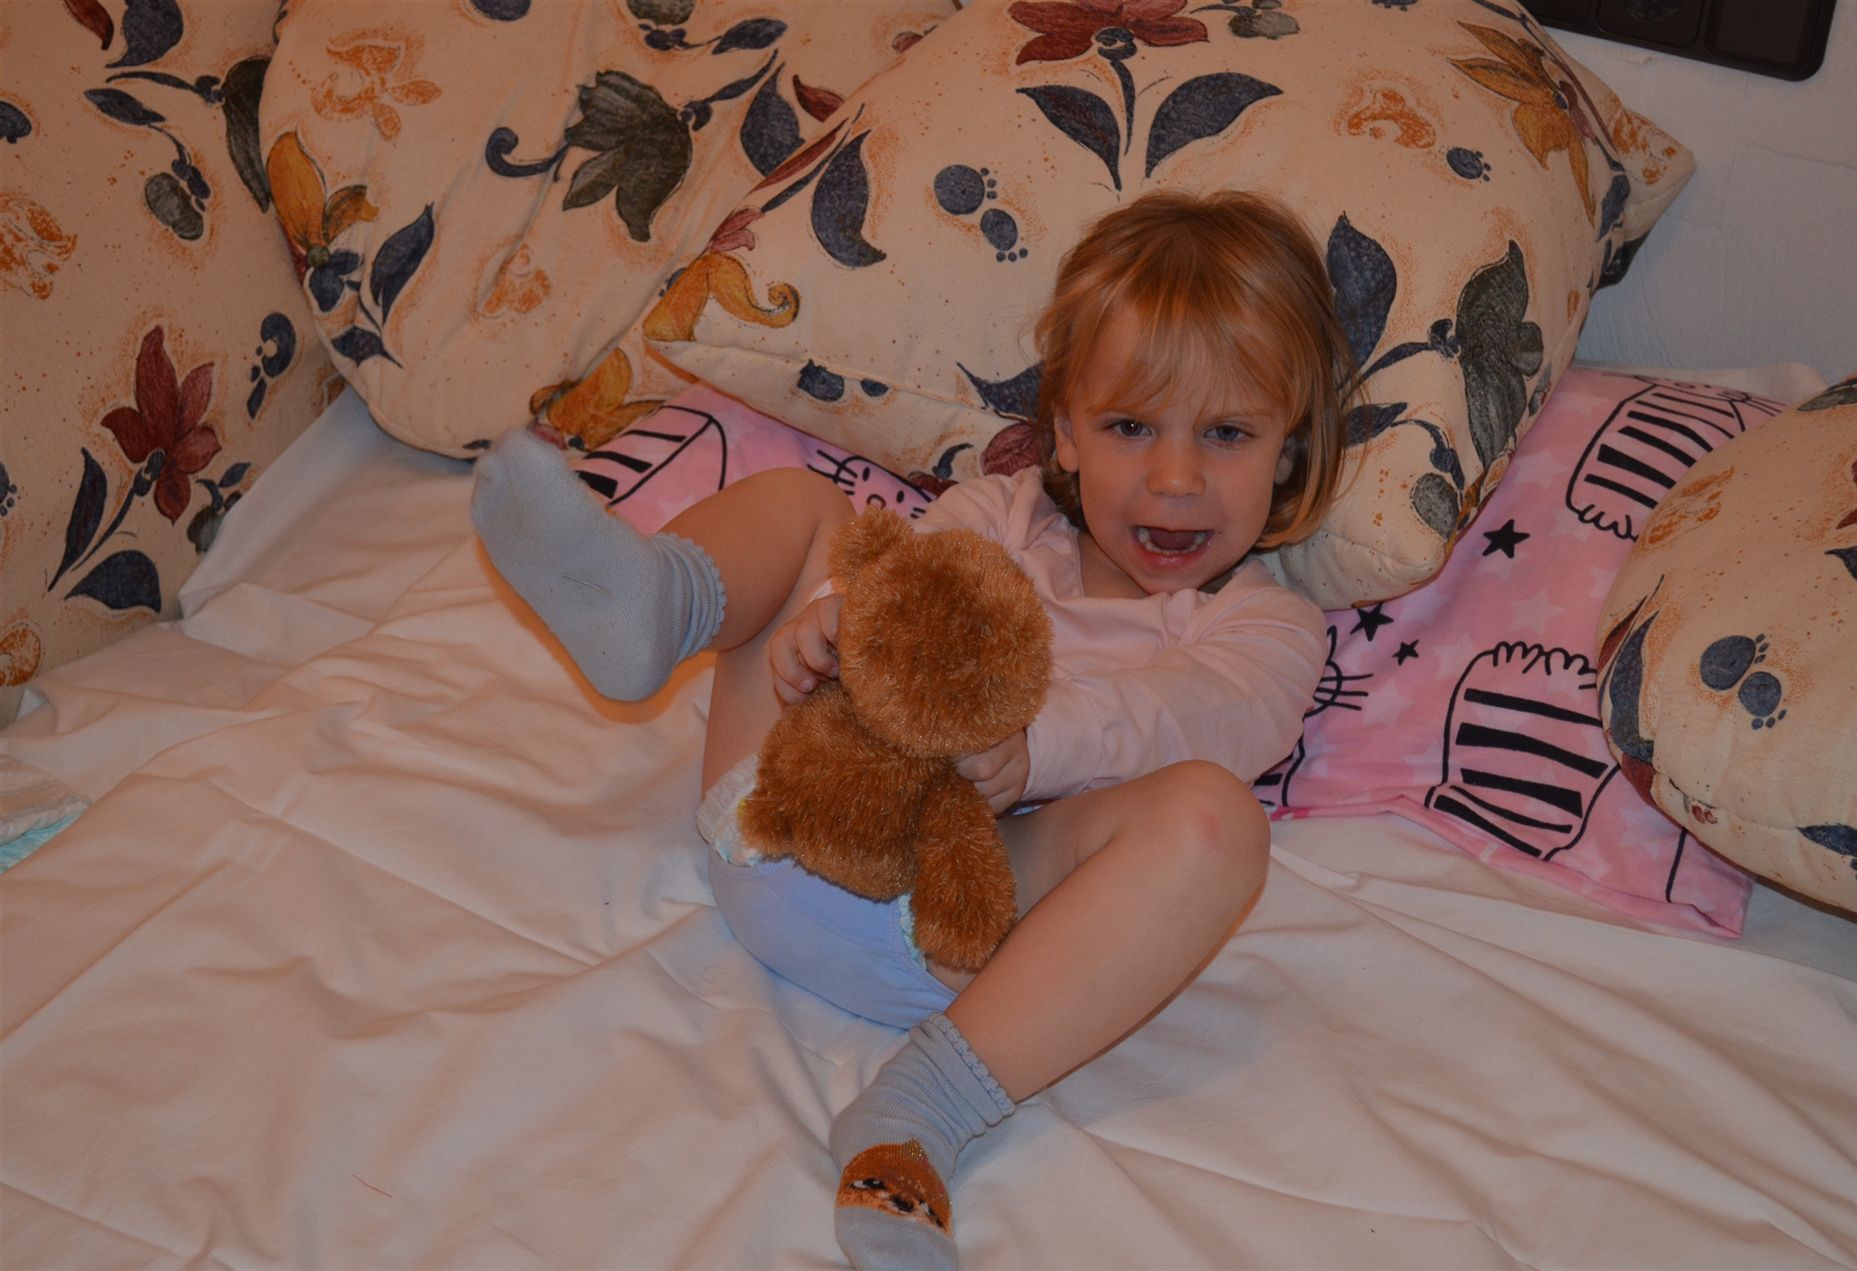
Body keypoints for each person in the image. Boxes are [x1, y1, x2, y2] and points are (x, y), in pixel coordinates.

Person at [470, 189, 1353, 1270]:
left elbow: (1189, 714)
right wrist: (832, 628)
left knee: (1214, 820)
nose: (1176, 478)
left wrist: (1033, 744)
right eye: (1131, 427)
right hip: (778, 819)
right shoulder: (998, 515)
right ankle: (657, 605)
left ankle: (919, 1110)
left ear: (1289, 451)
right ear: (1066, 434)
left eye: (1227, 433)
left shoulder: (1267, 626)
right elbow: (904, 589)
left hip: (973, 938)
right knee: (815, 509)